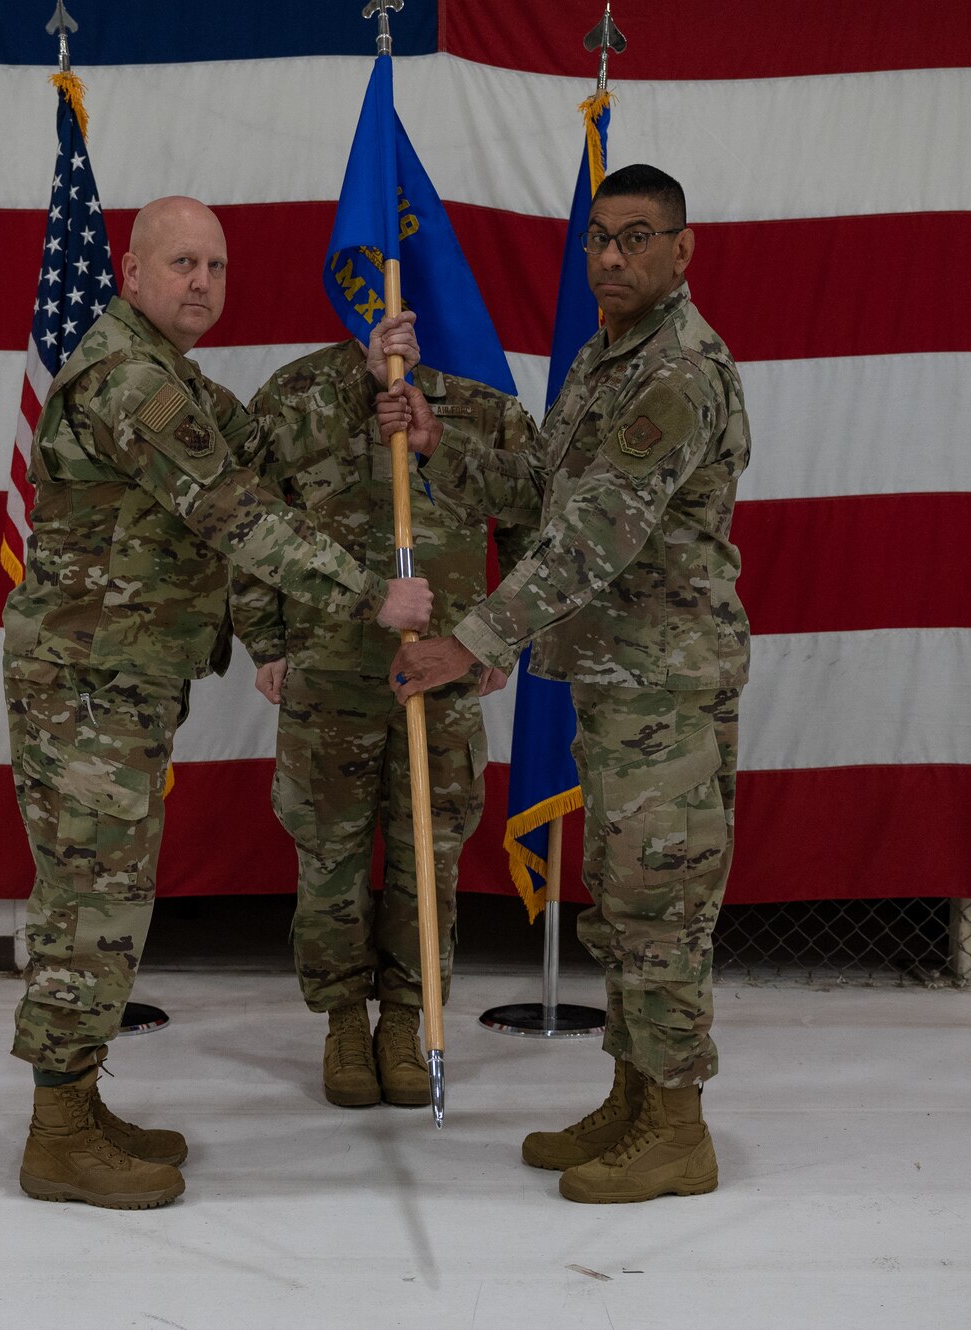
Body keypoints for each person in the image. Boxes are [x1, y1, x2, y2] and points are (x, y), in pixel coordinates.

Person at [2, 196, 433, 1209]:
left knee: (107, 896)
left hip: (116, 682)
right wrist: (374, 593)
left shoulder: (167, 375)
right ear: (131, 270)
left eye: (216, 266)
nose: (201, 282)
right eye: (181, 262)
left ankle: (77, 1096)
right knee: (90, 905)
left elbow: (266, 446)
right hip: (86, 687)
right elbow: (240, 513)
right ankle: (56, 1132)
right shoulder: (127, 383)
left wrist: (364, 375)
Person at [380, 164, 750, 1204]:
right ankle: (634, 1098)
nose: (611, 257)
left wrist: (470, 638)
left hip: (667, 684)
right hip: (616, 678)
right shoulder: (603, 358)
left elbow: (595, 534)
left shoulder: (677, 368)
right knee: (628, 903)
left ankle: (677, 1125)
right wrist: (438, 443)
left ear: (682, 249)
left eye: (636, 237)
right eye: (598, 237)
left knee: (662, 906)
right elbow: (551, 492)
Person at [233, 314, 537, 1109]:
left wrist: (496, 641)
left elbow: (538, 518)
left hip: (439, 670)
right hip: (327, 669)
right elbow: (247, 517)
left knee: (427, 856)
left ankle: (407, 1020)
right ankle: (340, 1020)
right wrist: (265, 638)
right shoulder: (298, 396)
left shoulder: (484, 403)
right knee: (328, 856)